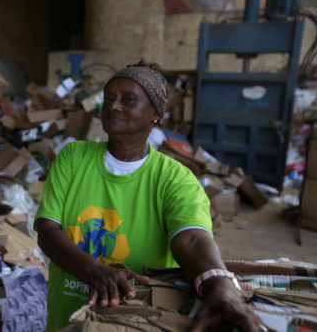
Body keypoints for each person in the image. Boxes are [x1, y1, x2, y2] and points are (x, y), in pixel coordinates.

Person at [35, 59, 269, 332]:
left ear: (155, 114)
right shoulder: (73, 158)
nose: (113, 106)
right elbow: (47, 230)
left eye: (128, 100)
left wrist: (221, 286)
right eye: (109, 98)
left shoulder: (175, 178)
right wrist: (94, 270)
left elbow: (192, 239)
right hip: (66, 318)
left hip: (137, 322)